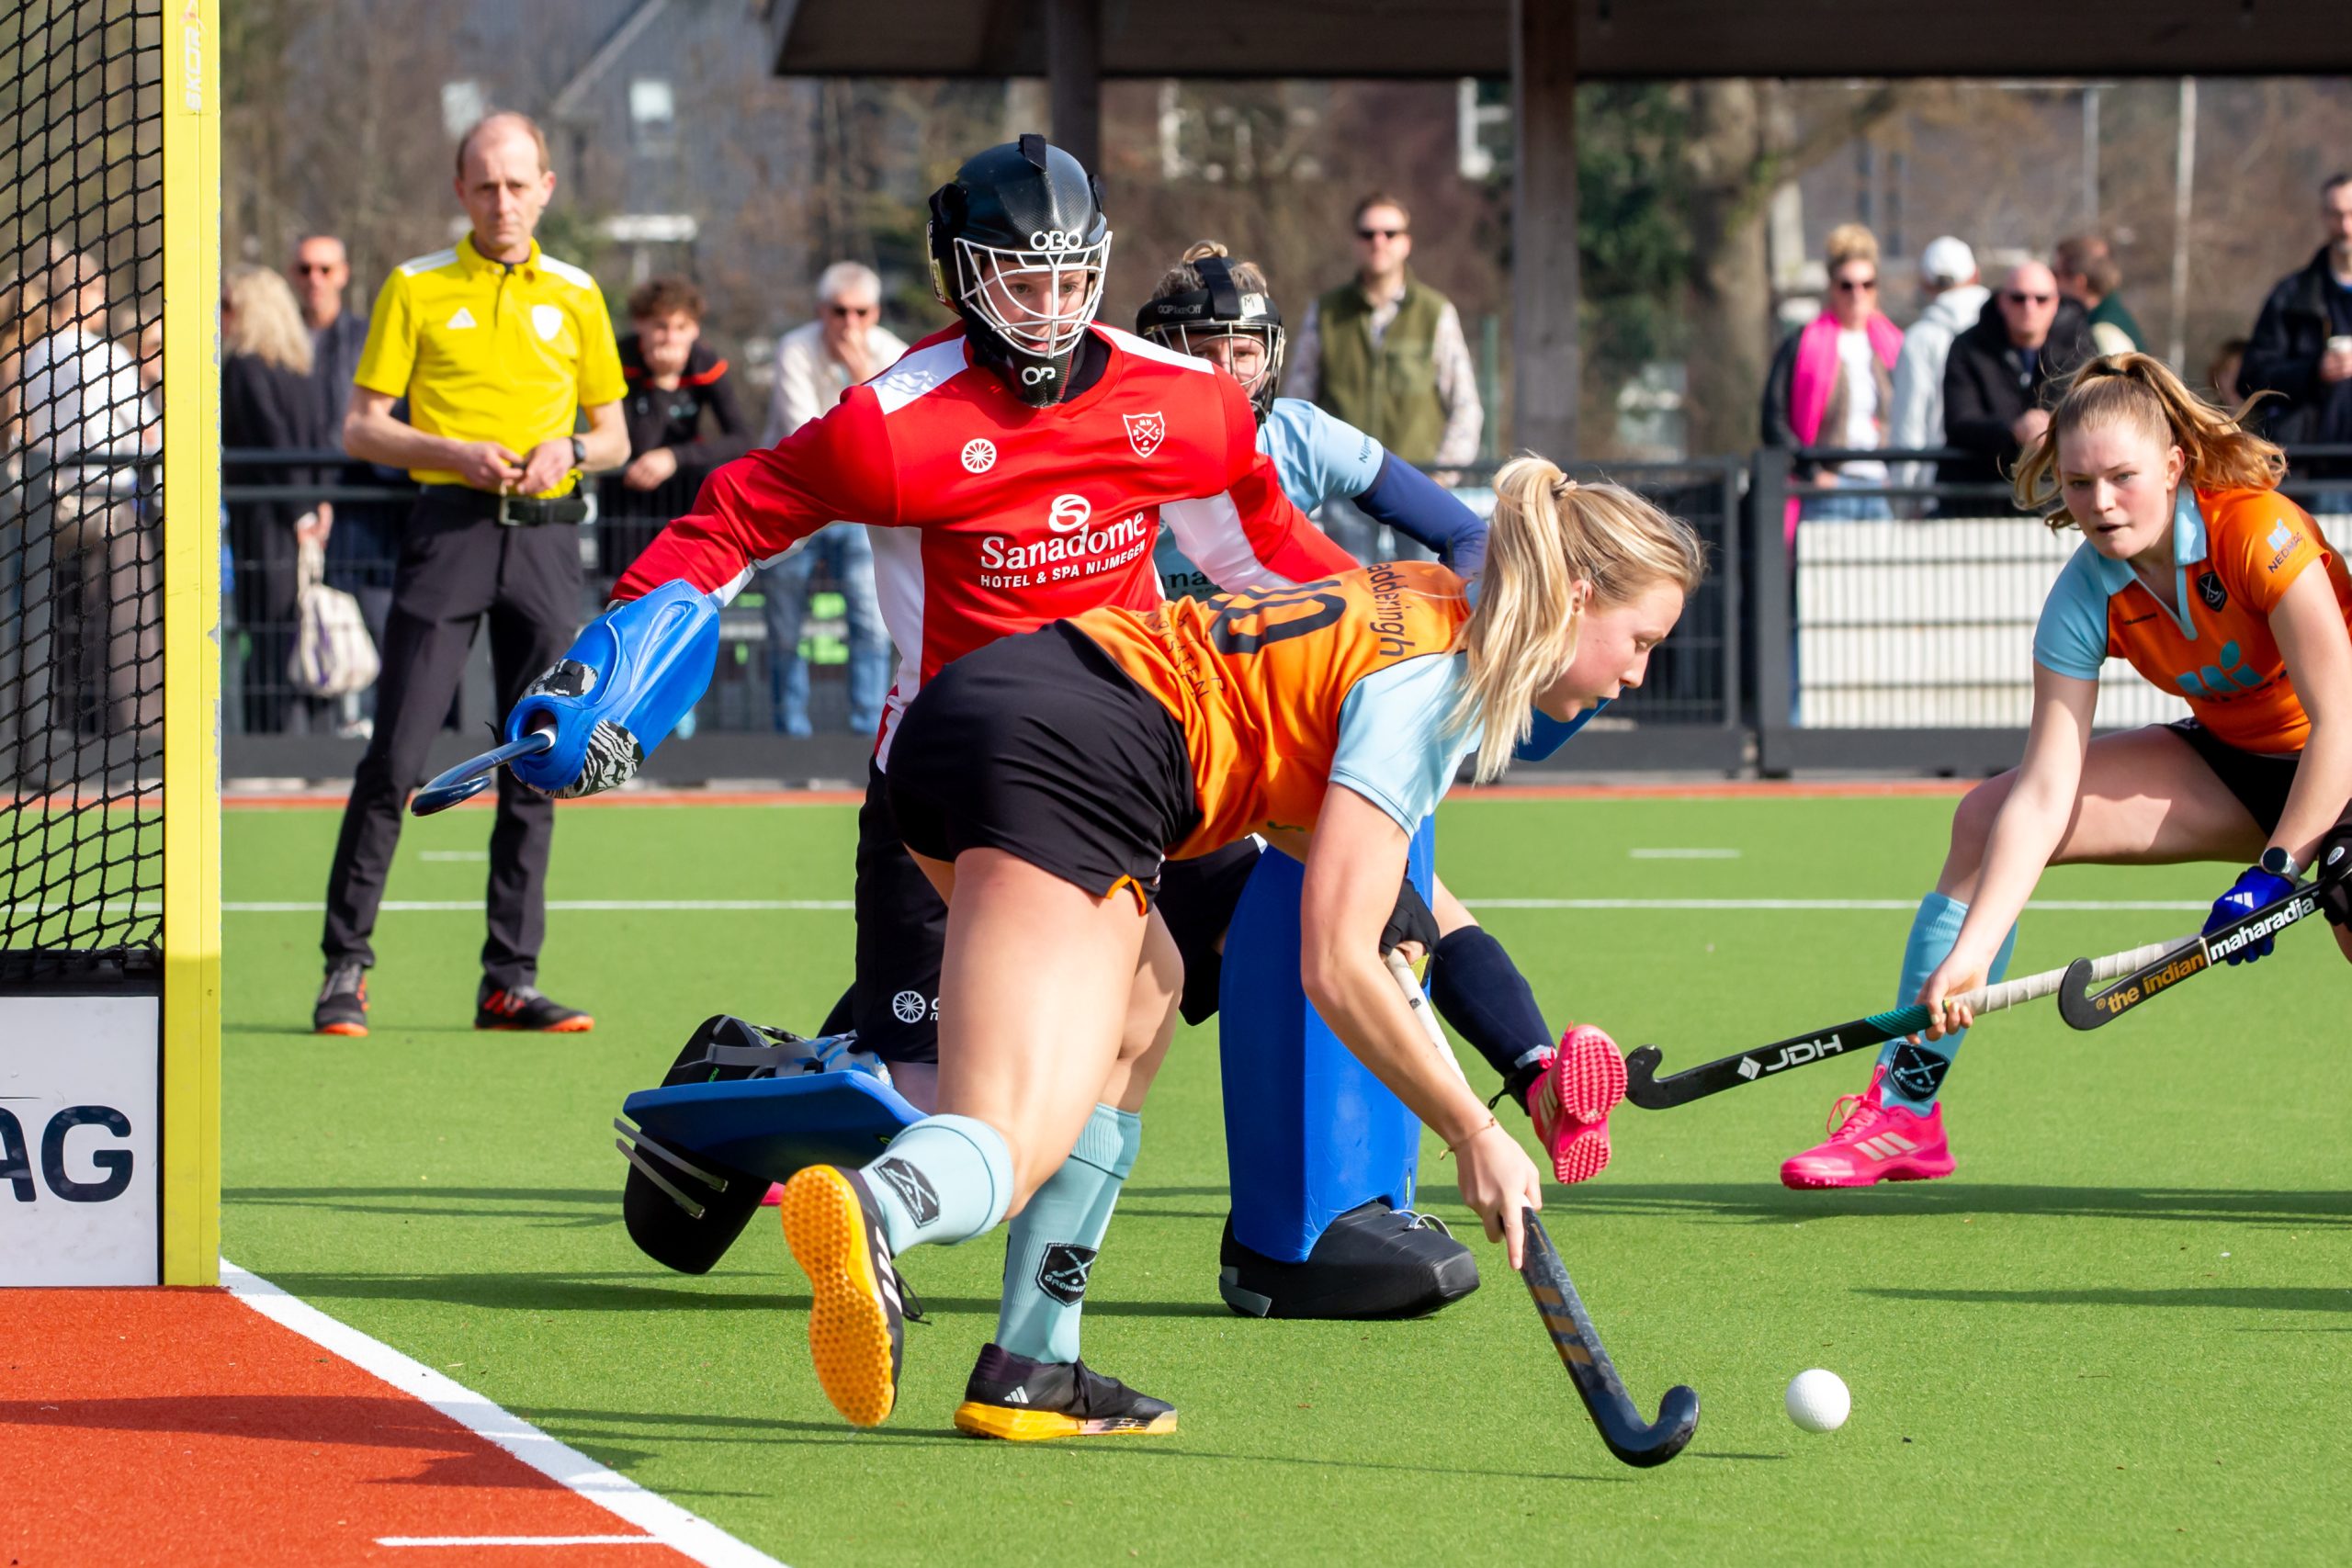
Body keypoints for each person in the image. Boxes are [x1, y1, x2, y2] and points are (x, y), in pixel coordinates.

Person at [767, 460, 1703, 1437]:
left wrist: (1382, 902)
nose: (1636, 673)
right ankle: (885, 1205)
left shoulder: (1423, 595)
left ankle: (1034, 1363)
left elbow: (1274, 758)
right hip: (1078, 755)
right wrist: (1474, 1133)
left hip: (974, 712)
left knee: (1146, 999)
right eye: (1640, 641)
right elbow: (1333, 965)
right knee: (1016, 1138)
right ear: (1577, 596)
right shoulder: (1436, 685)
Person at [1136, 241, 1619, 1304]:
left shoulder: (1301, 437)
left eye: (1241, 351)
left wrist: (1427, 629)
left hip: (1279, 748)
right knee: (997, 1024)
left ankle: (1532, 1077)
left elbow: (1460, 532)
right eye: (1199, 351)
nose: (1224, 372)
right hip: (1170, 747)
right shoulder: (1122, 451)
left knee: (1398, 906)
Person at [1778, 354, 2352, 1190]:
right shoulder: (2085, 593)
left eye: (2122, 477)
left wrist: (2277, 870)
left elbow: (2341, 720)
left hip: (2340, 754)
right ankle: (1906, 1109)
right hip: (2237, 762)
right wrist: (1972, 953)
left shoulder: (2256, 532)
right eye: (2079, 483)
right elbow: (2047, 789)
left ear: (2173, 466)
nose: (2101, 502)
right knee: (1987, 819)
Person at [311, 110, 629, 1038]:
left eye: (517, 184)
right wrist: (452, 451)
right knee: (396, 756)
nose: (502, 201)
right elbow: (361, 427)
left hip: (546, 543)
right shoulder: (414, 284)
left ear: (546, 189)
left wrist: (570, 447)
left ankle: (509, 983)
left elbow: (614, 435)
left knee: (540, 759)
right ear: (460, 190)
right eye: (484, 185)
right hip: (447, 532)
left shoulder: (578, 292)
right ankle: (344, 967)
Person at [1283, 192, 1481, 559]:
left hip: (1420, 485)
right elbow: (1298, 402)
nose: (1378, 241)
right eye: (1367, 233)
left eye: (1390, 233)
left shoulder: (1436, 312)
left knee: (1425, 588)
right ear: (1354, 242)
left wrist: (1441, 477)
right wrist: (1315, 473)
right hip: (1344, 486)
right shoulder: (1326, 313)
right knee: (1350, 585)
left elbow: (1466, 405)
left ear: (1406, 242)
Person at [754, 262, 902, 737]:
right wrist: (867, 398)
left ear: (876, 313)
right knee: (785, 626)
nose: (850, 323)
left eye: (861, 312)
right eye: (840, 311)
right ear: (822, 310)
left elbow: (900, 431)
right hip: (796, 505)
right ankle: (790, 730)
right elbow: (805, 433)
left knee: (870, 623)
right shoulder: (795, 348)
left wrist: (861, 372)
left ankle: (867, 729)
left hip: (858, 511)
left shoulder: (893, 352)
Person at [17, 246, 159, 739]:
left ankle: (64, 730)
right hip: (108, 505)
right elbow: (147, 433)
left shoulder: (34, 356)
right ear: (84, 293)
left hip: (50, 508)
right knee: (127, 624)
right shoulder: (104, 354)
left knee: (64, 623)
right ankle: (136, 730)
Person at [220, 264, 337, 735]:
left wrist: (300, 512)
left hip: (269, 520)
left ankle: (268, 738)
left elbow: (272, 440)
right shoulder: (300, 368)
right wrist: (319, 504)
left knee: (270, 632)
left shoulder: (245, 367)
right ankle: (309, 734)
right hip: (303, 516)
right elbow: (319, 440)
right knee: (300, 629)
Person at [1762, 224, 1904, 528]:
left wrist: (1899, 474)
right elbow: (1773, 418)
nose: (1857, 294)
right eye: (1846, 285)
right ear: (1832, 287)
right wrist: (1812, 473)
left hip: (1882, 487)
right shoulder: (1802, 344)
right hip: (1828, 490)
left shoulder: (1895, 345)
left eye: (1867, 284)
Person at [2240, 174, 2352, 509]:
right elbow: (2253, 377)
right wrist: (2314, 372)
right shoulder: (2291, 296)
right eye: (2336, 215)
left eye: (2351, 214)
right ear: (2323, 217)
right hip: (2314, 471)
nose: (2345, 226)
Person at [1937, 261, 2094, 491]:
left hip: (2054, 490)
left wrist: (2051, 427)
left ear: (2055, 303)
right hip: (1980, 491)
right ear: (2002, 301)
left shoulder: (2079, 347)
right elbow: (1960, 421)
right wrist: (2013, 430)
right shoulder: (1968, 347)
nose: (2030, 307)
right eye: (2018, 298)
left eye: (2041, 299)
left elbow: (2091, 415)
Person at [1888, 235, 1989, 505]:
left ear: (1925, 284)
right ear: (1975, 274)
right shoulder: (2005, 328)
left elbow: (1910, 422)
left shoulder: (1920, 338)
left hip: (1939, 488)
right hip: (2003, 485)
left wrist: (1904, 497)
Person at [2053, 234, 2146, 357]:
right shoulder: (2107, 315)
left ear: (2079, 281)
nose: (2052, 281)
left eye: (2056, 274)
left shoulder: (2103, 332)